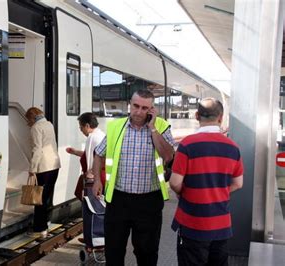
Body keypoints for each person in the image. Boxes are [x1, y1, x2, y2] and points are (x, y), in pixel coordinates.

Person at [91, 89, 175, 266]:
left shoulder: (161, 126)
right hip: (118, 200)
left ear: (152, 110)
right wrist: (98, 180)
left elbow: (168, 156)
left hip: (149, 202)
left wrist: (152, 128)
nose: (139, 111)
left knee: (147, 252)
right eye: (136, 106)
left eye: (145, 108)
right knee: (114, 250)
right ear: (130, 104)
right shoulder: (116, 127)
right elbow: (99, 153)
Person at [169, 98, 243, 266]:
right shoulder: (233, 147)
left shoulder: (187, 145)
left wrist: (186, 192)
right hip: (221, 226)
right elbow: (238, 183)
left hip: (192, 224)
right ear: (221, 117)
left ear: (197, 116)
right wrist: (218, 192)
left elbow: (174, 182)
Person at [25, 107, 61, 238]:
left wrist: (32, 168)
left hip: (44, 167)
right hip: (54, 165)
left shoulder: (35, 128)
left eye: (27, 119)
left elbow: (37, 149)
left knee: (39, 199)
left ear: (31, 117)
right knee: (46, 197)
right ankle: (45, 224)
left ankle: (40, 229)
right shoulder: (49, 124)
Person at [66, 112, 106, 200]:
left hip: (95, 179)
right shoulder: (100, 135)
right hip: (100, 178)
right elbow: (90, 154)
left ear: (87, 126)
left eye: (81, 127)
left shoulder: (93, 138)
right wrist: (75, 152)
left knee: (92, 207)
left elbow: (101, 158)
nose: (81, 130)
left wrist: (92, 172)